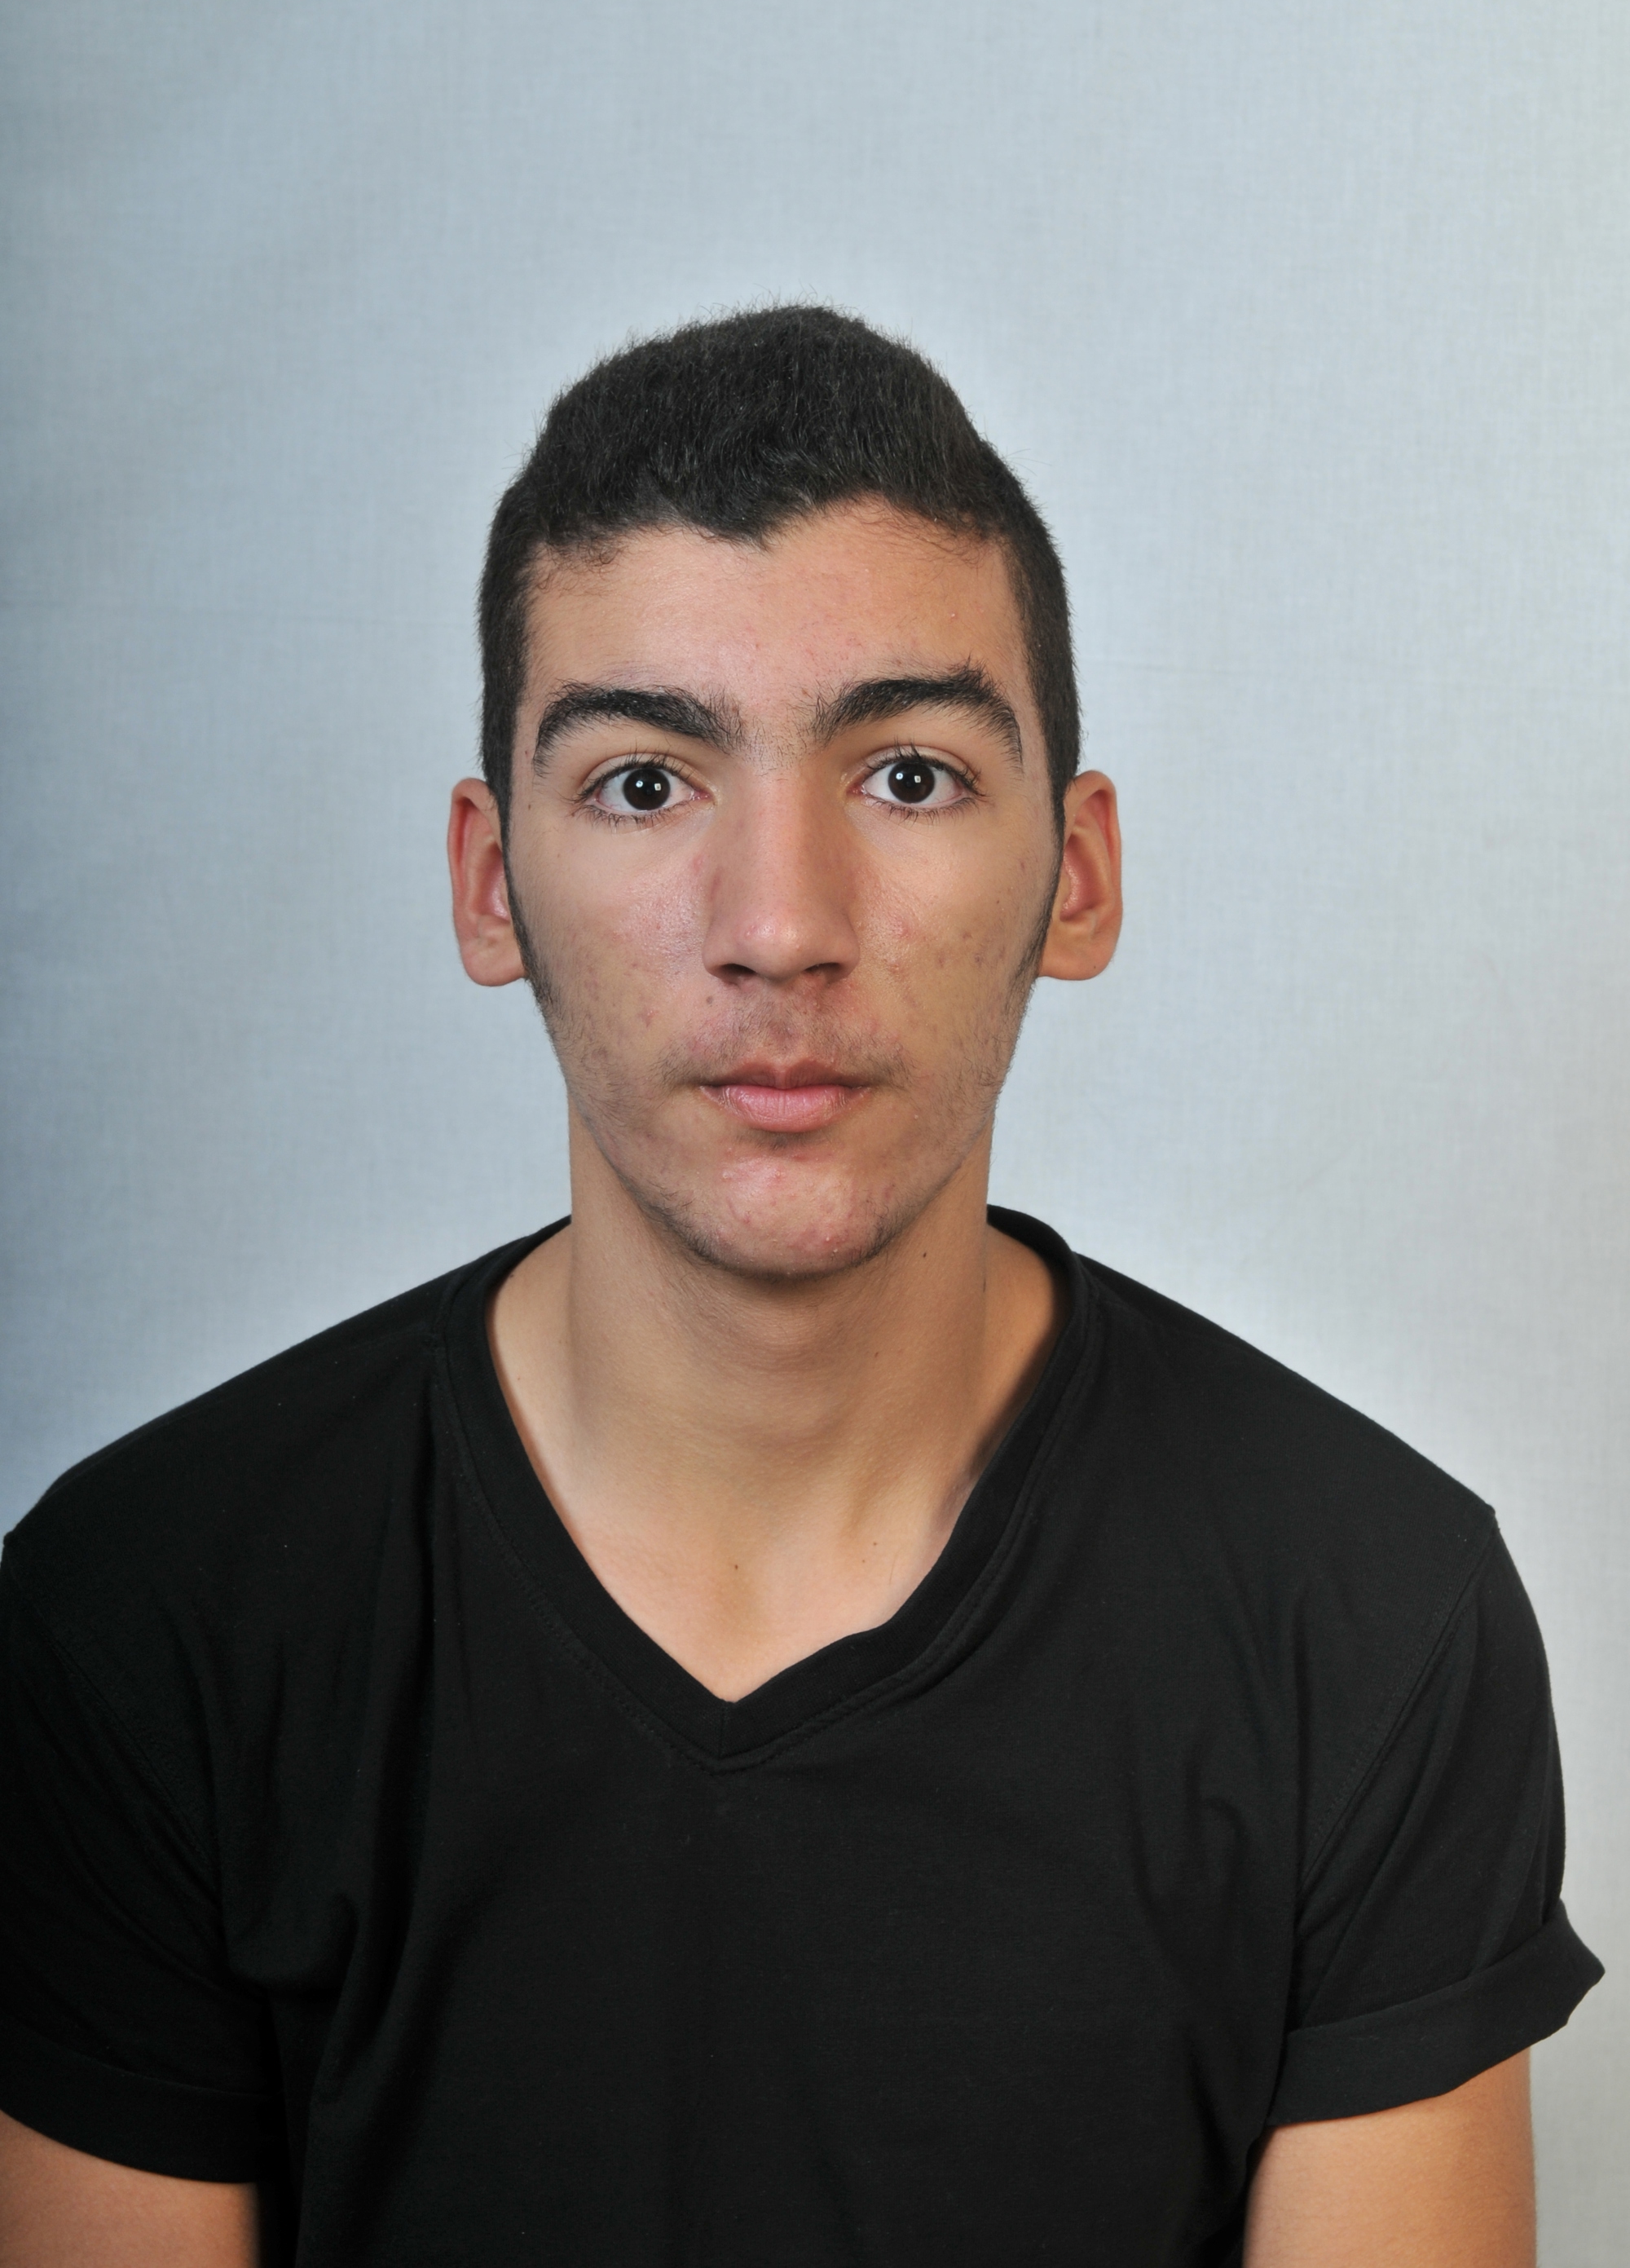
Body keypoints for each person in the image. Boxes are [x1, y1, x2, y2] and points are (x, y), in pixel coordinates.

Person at [0, 307, 1601, 2267]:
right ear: (491, 884)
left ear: (1077, 874)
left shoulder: (1365, 1621)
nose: (778, 925)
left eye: (907, 775)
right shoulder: (144, 1623)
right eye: (645, 784)